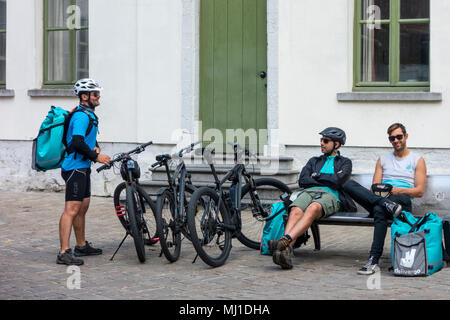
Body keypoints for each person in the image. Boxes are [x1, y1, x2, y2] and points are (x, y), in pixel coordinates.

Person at [342, 123, 427, 275]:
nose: (396, 140)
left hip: (403, 201)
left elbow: (419, 191)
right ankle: (386, 204)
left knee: (378, 209)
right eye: (392, 138)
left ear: (406, 137)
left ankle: (373, 259)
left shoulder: (417, 160)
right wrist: (384, 196)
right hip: (383, 199)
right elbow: (375, 187)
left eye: (399, 137)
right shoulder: (383, 159)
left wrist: (396, 190)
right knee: (347, 184)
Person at [270, 127, 357, 269]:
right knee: (295, 209)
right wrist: (328, 178)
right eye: (321, 140)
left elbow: (338, 181)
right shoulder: (314, 161)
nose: (322, 143)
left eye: (326, 141)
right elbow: (303, 180)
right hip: (308, 192)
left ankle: (284, 243)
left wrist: (316, 176)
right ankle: (286, 250)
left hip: (331, 195)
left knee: (314, 207)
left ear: (337, 144)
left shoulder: (345, 162)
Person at [56, 78, 111, 266]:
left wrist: (95, 147)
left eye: (98, 93)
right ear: (85, 96)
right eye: (95, 94)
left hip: (83, 167)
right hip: (74, 168)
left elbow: (85, 139)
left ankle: (81, 245)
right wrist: (97, 157)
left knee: (82, 207)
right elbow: (76, 142)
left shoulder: (88, 114)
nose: (99, 97)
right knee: (71, 210)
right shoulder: (81, 116)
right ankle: (64, 252)